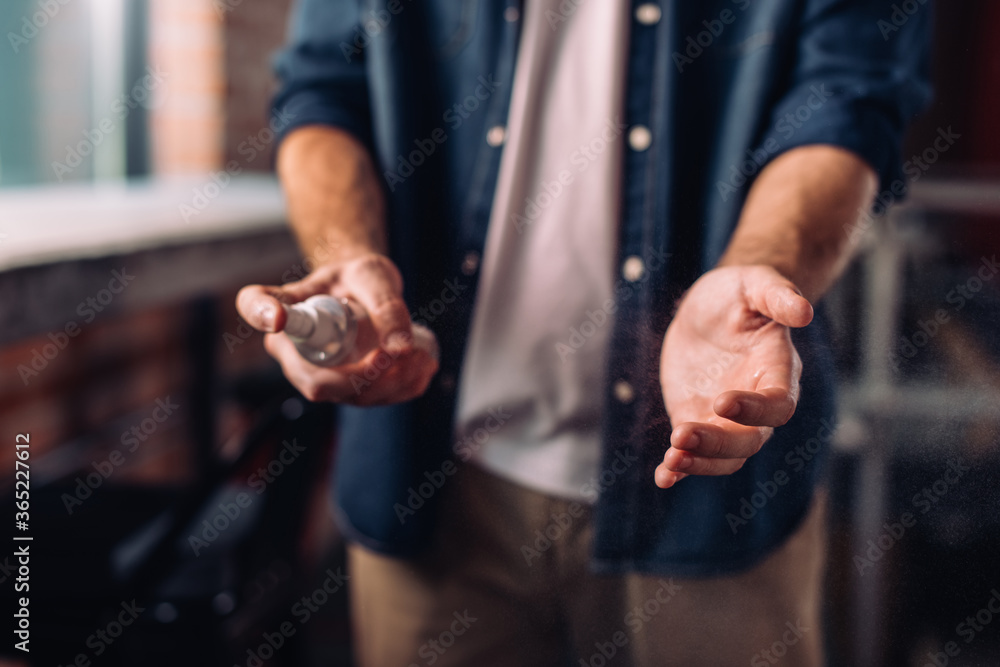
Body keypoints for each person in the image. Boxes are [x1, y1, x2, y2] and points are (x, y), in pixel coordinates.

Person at [236, 1, 930, 664]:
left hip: (714, 486)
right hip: (432, 473)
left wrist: (760, 268)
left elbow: (847, 101)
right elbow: (324, 87)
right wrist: (345, 257)